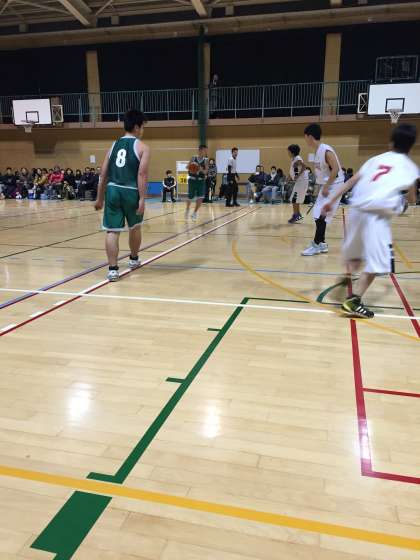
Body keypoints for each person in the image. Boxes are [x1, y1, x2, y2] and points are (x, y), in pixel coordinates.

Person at [322, 123, 419, 319]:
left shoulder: (375, 159)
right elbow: (412, 200)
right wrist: (403, 203)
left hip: (356, 210)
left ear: (391, 142)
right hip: (376, 215)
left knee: (356, 254)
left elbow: (351, 181)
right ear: (411, 146)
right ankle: (353, 302)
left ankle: (347, 276)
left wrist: (331, 200)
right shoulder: (410, 167)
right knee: (379, 263)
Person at [94, 109, 150, 282]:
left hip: (112, 190)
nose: (143, 130)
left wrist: (99, 198)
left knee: (112, 231)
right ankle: (133, 259)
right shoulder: (143, 147)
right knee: (135, 227)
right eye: (142, 127)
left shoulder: (113, 145)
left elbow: (103, 174)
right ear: (136, 127)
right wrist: (142, 198)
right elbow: (142, 175)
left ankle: (112, 270)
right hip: (131, 191)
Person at [301, 123, 345, 256]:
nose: (305, 139)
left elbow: (335, 169)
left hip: (335, 185)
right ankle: (322, 243)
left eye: (305, 137)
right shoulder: (318, 150)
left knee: (322, 215)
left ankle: (316, 244)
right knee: (317, 214)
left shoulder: (326, 150)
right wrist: (322, 186)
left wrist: (326, 186)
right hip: (327, 185)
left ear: (309, 136)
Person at [287, 144, 309, 223]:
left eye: (289, 151)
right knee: (295, 199)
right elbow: (293, 170)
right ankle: (297, 214)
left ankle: (296, 215)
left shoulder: (297, 158)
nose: (288, 153)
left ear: (292, 152)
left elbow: (304, 166)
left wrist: (298, 176)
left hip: (302, 181)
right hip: (300, 182)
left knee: (294, 199)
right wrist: (289, 177)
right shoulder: (294, 159)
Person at [185, 144, 208, 221]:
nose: (205, 152)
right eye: (204, 150)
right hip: (192, 180)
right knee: (190, 197)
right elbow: (187, 167)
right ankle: (187, 210)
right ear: (200, 150)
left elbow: (206, 172)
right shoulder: (193, 158)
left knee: (200, 198)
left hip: (201, 181)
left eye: (206, 151)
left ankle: (194, 213)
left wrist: (200, 169)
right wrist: (192, 167)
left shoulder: (206, 160)